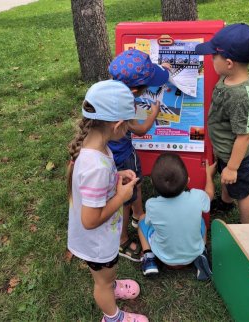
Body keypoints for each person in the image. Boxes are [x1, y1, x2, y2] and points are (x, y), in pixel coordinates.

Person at [67, 80, 149, 322]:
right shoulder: (95, 166)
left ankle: (111, 285)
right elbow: (90, 220)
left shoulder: (96, 147)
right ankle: (113, 316)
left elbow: (95, 186)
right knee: (102, 280)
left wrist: (116, 176)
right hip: (96, 242)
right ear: (118, 125)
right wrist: (122, 197)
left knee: (107, 274)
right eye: (129, 126)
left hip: (101, 237)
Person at [195, 23, 249, 224]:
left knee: (241, 191)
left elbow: (244, 136)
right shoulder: (228, 76)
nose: (211, 58)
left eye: (214, 56)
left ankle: (246, 228)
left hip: (237, 156)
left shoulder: (240, 96)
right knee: (227, 181)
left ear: (230, 63)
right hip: (225, 149)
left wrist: (233, 167)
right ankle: (225, 202)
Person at [108, 49, 170, 261]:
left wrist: (164, 70)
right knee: (124, 198)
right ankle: (122, 240)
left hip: (113, 155)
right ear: (135, 90)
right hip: (122, 158)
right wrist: (153, 113)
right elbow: (141, 129)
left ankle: (138, 214)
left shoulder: (111, 92)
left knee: (137, 184)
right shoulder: (124, 108)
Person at [138, 153, 216, 281]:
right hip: (192, 254)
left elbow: (148, 221)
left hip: (164, 257)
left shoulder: (151, 204)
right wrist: (209, 174)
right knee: (201, 221)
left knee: (142, 221)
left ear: (152, 182)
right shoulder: (197, 197)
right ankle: (202, 254)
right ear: (188, 181)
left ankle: (149, 257)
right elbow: (210, 193)